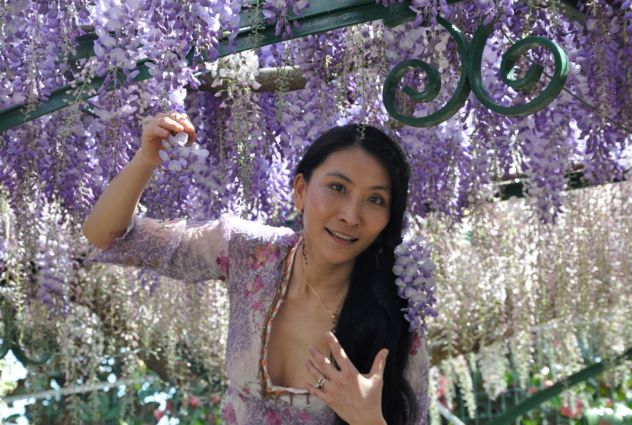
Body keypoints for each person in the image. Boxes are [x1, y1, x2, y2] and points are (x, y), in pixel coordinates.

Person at [83, 112, 430, 425]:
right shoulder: (251, 252)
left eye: (375, 200)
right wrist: (146, 159)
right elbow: (108, 237)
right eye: (337, 188)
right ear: (300, 190)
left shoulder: (398, 321)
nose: (350, 216)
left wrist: (368, 420)